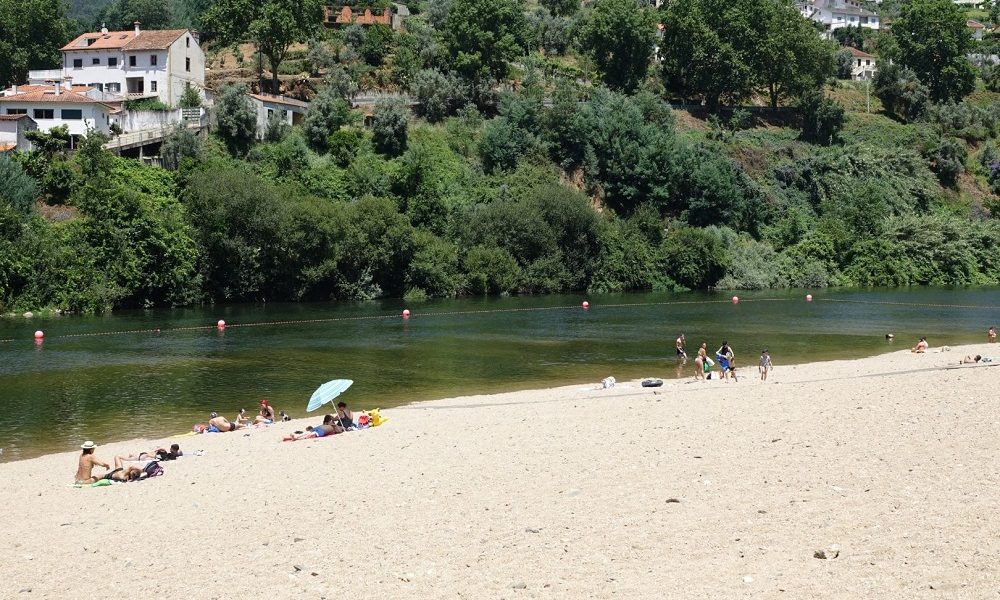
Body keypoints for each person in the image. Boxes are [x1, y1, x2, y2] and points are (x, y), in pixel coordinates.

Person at [115, 444, 181, 465]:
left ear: (172, 449)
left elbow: (161, 449)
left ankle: (119, 457)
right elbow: (179, 452)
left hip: (144, 456)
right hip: (145, 455)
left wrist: (156, 450)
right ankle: (130, 455)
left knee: (127, 459)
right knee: (132, 457)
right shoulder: (174, 455)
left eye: (171, 448)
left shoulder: (165, 453)